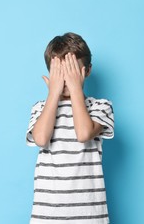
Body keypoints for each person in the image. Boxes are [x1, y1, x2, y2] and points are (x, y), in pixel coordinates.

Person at [26, 32, 115, 223]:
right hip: (47, 216)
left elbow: (83, 134)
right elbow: (41, 139)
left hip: (89, 216)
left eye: (72, 71)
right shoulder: (41, 108)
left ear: (87, 70)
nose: (66, 79)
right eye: (60, 72)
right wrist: (54, 93)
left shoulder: (100, 107)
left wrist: (75, 88)